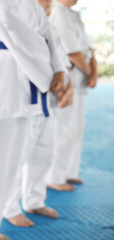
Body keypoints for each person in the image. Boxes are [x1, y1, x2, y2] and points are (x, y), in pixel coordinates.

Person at [0, 0, 71, 239]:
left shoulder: (32, 4)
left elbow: (48, 36)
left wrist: (60, 70)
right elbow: (17, 33)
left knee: (10, 164)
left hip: (27, 85)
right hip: (1, 79)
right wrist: (49, 74)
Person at [1, 0, 75, 228]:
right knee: (19, 154)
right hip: (27, 96)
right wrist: (51, 80)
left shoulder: (49, 26)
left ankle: (34, 200)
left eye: (48, 3)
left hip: (48, 100)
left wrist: (66, 84)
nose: (46, 5)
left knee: (43, 152)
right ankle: (10, 208)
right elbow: (28, 58)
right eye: (42, 1)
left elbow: (61, 60)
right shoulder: (17, 20)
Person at [46, 0, 98, 190]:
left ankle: (69, 172)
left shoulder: (73, 14)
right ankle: (54, 176)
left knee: (75, 128)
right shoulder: (57, 13)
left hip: (81, 76)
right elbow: (73, 53)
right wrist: (90, 73)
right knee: (63, 129)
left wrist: (94, 70)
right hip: (70, 75)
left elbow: (89, 49)